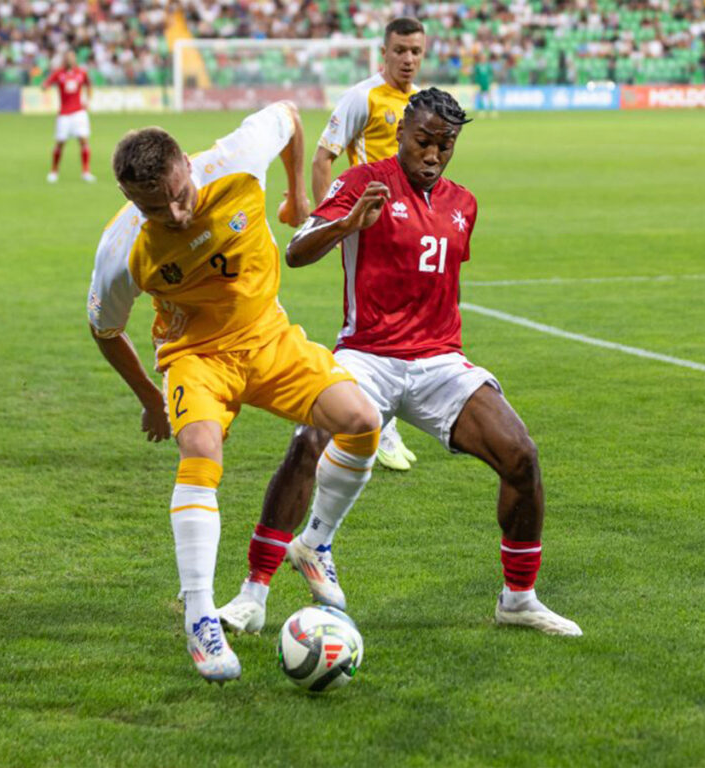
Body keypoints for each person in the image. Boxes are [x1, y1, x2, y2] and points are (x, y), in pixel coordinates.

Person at [218, 89, 582, 638]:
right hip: (367, 353)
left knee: (521, 456)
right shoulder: (364, 182)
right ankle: (253, 594)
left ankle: (519, 599)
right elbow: (297, 250)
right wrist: (348, 225)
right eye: (423, 141)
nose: (433, 154)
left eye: (445, 145)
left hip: (440, 362)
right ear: (400, 135)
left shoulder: (464, 203)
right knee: (307, 441)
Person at [87, 102, 382, 683]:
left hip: (268, 337)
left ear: (185, 165)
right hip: (195, 357)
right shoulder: (122, 249)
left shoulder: (238, 161)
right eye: (153, 207)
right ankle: (201, 618)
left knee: (361, 419)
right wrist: (151, 398)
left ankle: (315, 543)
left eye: (177, 193)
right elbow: (104, 329)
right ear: (131, 201)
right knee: (201, 448)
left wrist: (298, 197)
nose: (173, 212)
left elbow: (292, 116)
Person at [313, 15, 426, 472]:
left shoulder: (420, 102)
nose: (408, 59)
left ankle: (381, 418)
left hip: (411, 225)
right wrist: (329, 218)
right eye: (399, 50)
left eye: (416, 51)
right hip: (369, 225)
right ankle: (372, 423)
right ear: (384, 52)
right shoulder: (362, 97)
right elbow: (325, 155)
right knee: (367, 326)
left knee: (407, 319)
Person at [43, 51, 94, 183]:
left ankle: (86, 172)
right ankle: (54, 171)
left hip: (79, 112)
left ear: (75, 59)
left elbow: (89, 85)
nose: (69, 59)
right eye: (67, 57)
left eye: (71, 57)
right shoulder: (59, 73)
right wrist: (45, 86)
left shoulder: (81, 73)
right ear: (64, 60)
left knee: (84, 141)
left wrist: (88, 100)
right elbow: (46, 84)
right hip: (64, 114)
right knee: (60, 143)